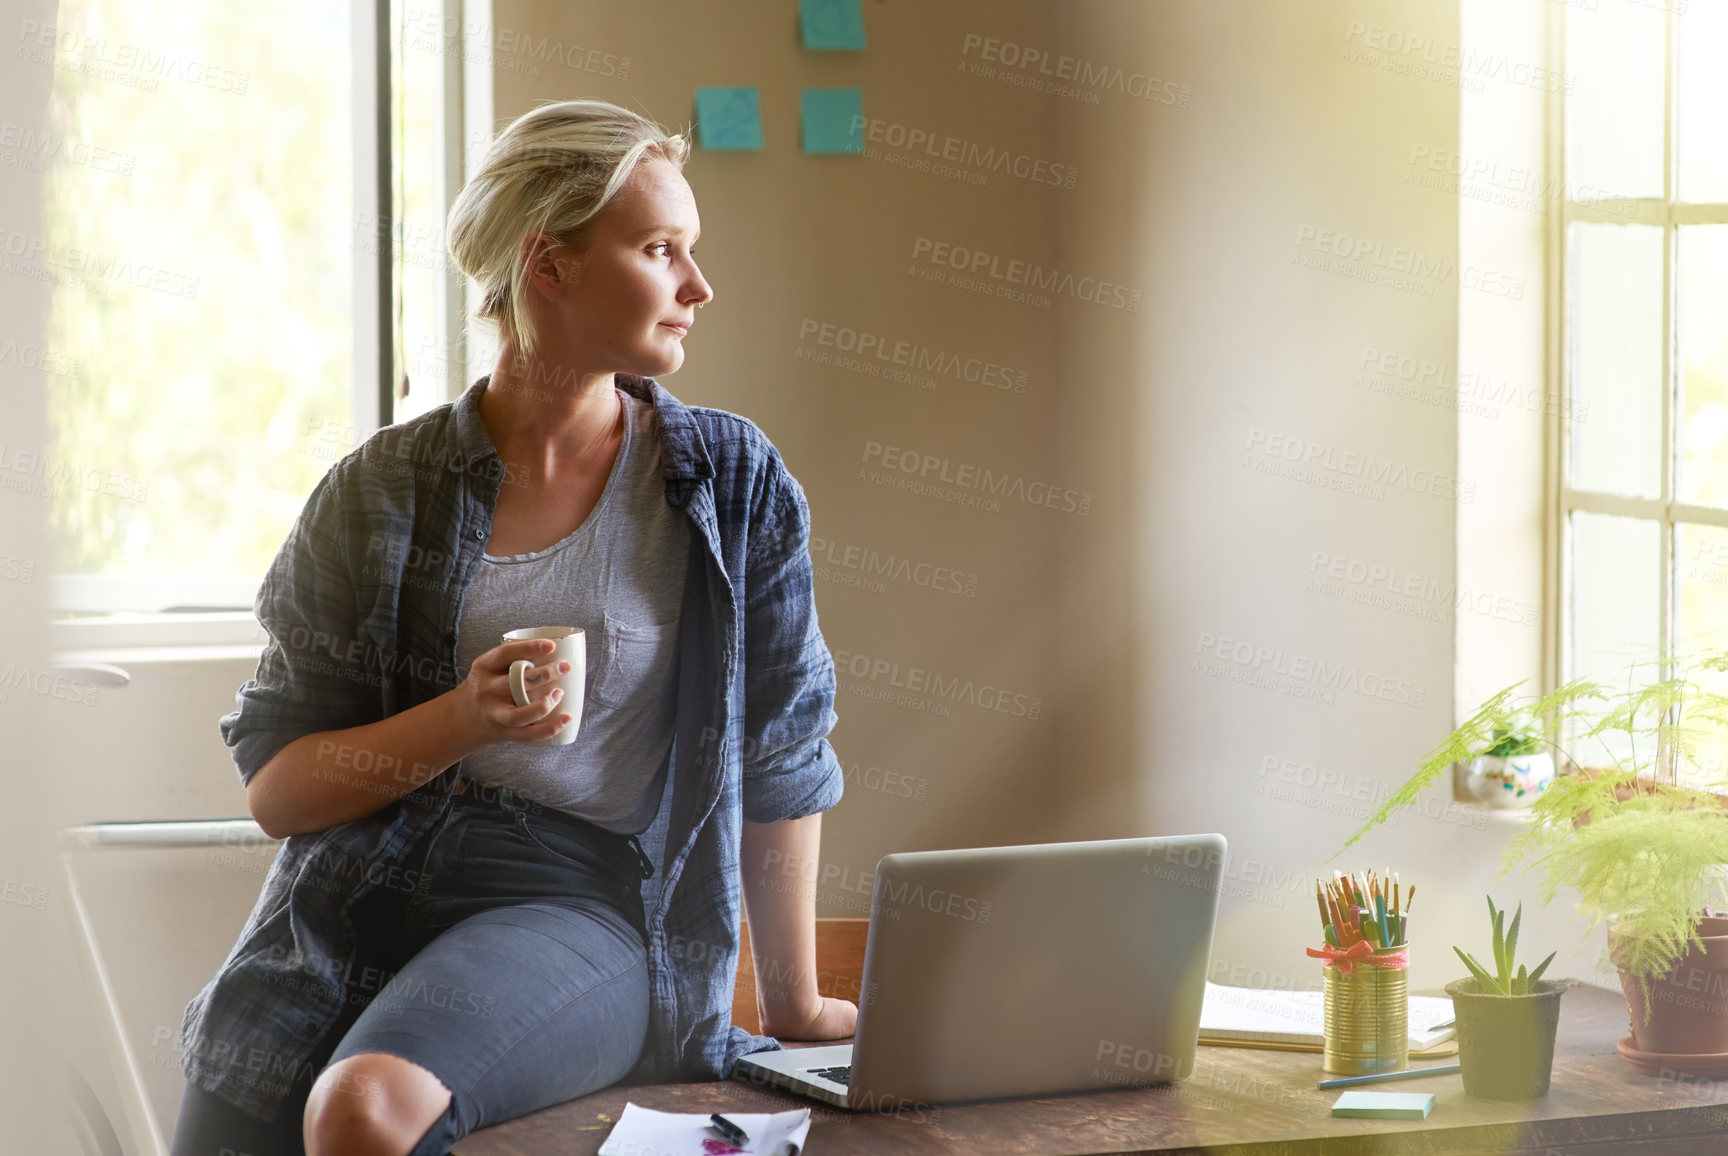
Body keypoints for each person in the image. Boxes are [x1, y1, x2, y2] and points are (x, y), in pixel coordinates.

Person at [170, 98, 854, 1156]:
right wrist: (465, 716)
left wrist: (798, 1006)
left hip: (581, 903)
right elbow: (282, 790)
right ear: (549, 265)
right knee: (241, 1097)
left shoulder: (733, 482)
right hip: (352, 896)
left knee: (358, 1111)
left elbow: (783, 754)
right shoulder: (376, 492)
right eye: (660, 249)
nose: (697, 286)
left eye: (691, 251)